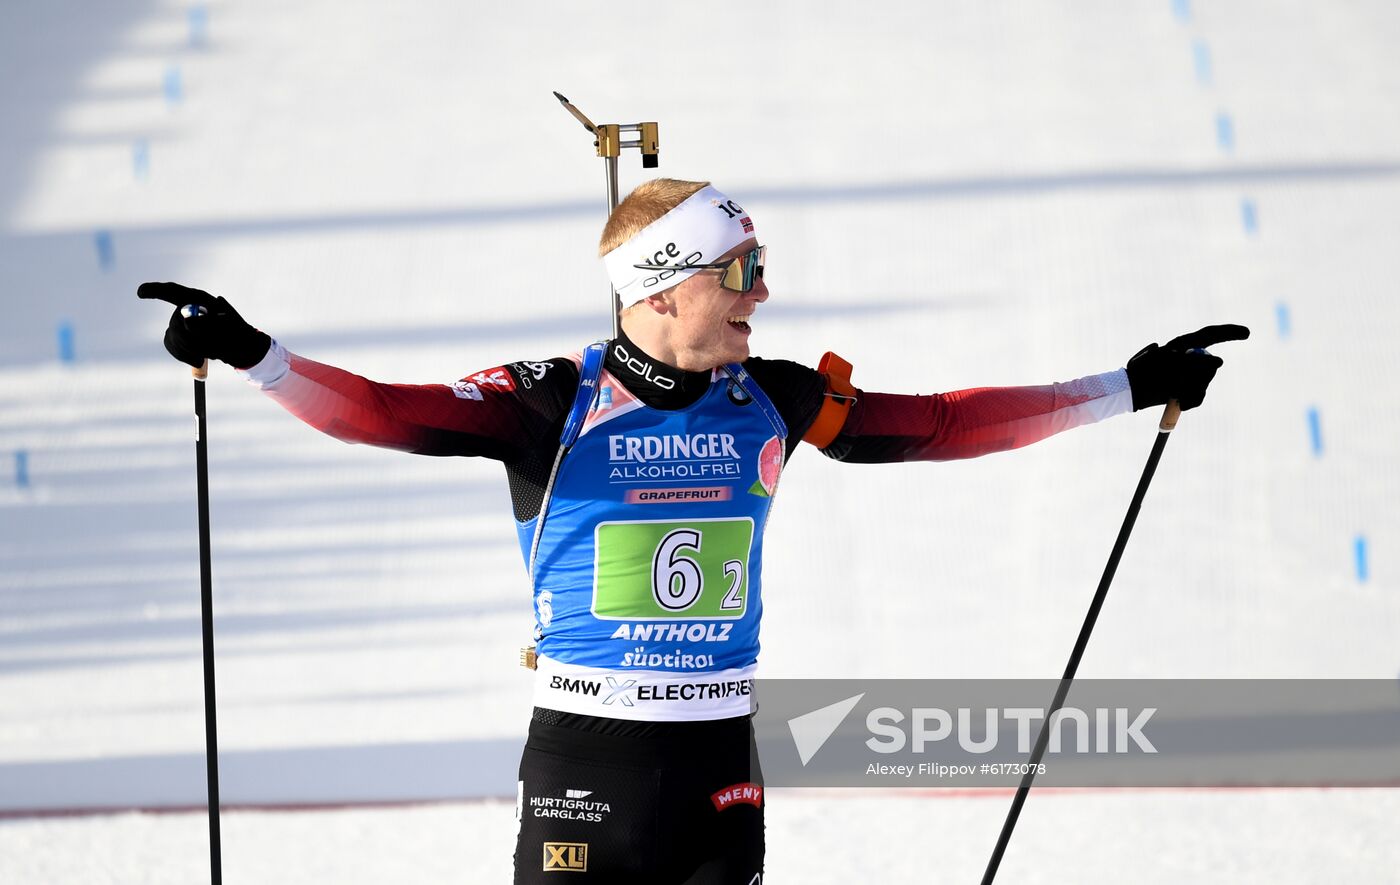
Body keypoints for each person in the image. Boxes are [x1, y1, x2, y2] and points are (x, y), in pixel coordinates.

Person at [139, 178, 1247, 884]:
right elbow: (381, 413)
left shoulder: (768, 394)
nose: (760, 295)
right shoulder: (548, 400)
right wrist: (249, 352)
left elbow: (940, 427)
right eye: (740, 274)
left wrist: (1125, 383)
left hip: (719, 758)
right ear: (662, 290)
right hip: (589, 756)